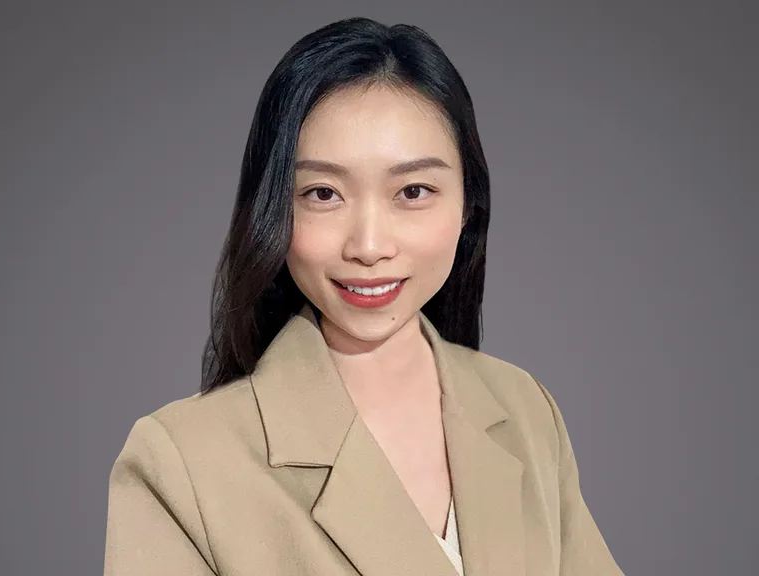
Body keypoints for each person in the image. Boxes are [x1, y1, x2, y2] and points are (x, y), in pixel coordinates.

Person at [103, 16, 624, 576]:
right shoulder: (179, 462)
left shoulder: (525, 411)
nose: (369, 246)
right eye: (323, 193)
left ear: (467, 204)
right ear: (274, 211)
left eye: (413, 191)